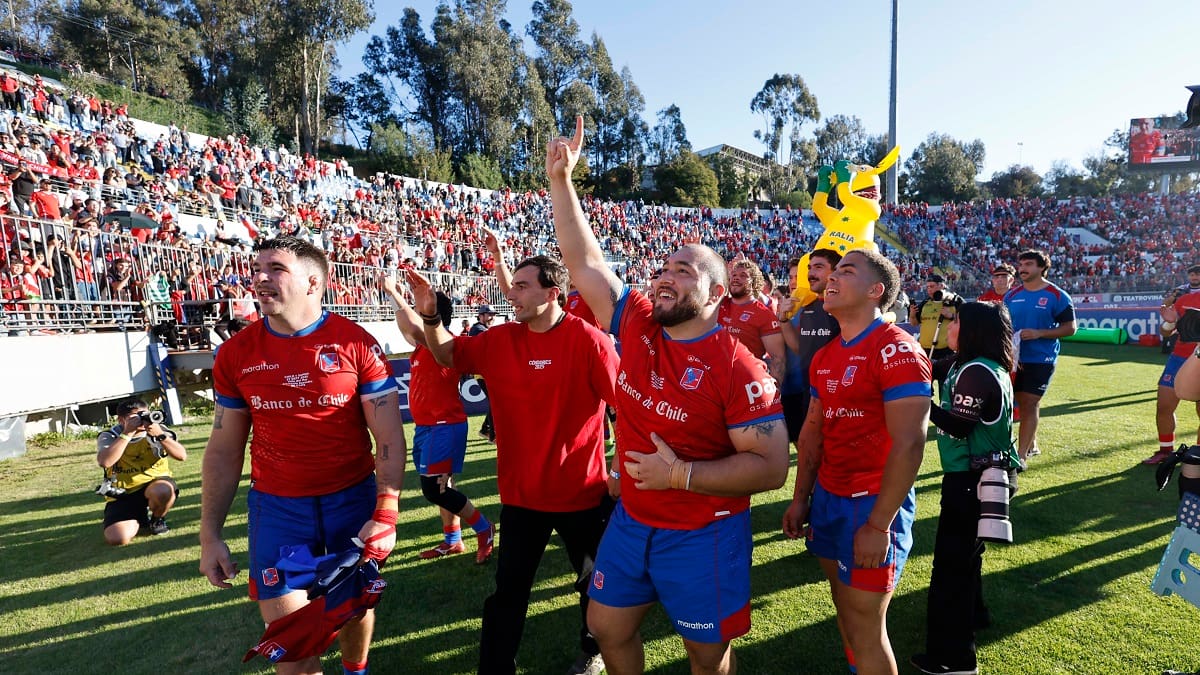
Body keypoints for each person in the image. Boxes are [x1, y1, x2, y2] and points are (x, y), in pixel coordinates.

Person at [548, 116, 789, 675]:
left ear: (716, 293)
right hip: (633, 518)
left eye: (683, 270)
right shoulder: (636, 324)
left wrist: (681, 474)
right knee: (607, 627)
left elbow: (772, 466)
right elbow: (585, 263)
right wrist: (562, 181)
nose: (664, 276)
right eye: (662, 268)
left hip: (703, 530)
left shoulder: (738, 365)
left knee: (706, 657)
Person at [199, 236, 407, 675]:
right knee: (293, 649)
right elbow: (223, 450)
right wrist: (210, 535)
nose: (259, 278)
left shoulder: (356, 344)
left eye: (275, 268)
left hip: (351, 501)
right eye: (257, 268)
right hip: (278, 510)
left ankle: (356, 670)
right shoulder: (236, 354)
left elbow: (388, 436)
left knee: (354, 607)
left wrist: (386, 512)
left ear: (314, 282)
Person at [408, 254, 618, 675]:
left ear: (551, 292)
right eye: (513, 285)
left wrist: (617, 474)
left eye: (522, 286)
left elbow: (627, 407)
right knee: (508, 594)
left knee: (594, 588)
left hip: (582, 495)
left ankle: (592, 649)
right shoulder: (500, 338)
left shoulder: (590, 341)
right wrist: (431, 319)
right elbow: (449, 354)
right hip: (522, 499)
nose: (511, 293)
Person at [782, 248, 932, 675]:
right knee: (846, 612)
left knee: (866, 627)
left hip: (872, 506)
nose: (831, 277)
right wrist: (800, 498)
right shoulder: (827, 356)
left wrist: (878, 525)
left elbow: (910, 446)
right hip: (828, 499)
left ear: (875, 291)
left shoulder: (898, 350)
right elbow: (812, 434)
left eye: (845, 271)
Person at [911, 301, 1020, 675]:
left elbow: (957, 425)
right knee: (966, 559)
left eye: (955, 321)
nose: (948, 326)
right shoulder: (965, 364)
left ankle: (954, 658)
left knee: (951, 568)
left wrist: (919, 402)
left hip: (973, 481)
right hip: (976, 477)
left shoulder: (977, 371)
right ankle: (976, 615)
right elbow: (926, 367)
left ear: (972, 330)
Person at [381, 274, 494, 564]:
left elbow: (415, 327)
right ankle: (453, 541)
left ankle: (484, 528)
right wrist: (394, 295)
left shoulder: (443, 343)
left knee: (435, 489)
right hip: (427, 428)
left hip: (444, 427)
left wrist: (394, 291)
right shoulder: (422, 345)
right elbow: (409, 327)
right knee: (445, 487)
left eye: (422, 312)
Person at [1004, 250, 1076, 462]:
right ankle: (1031, 443)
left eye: (1028, 264)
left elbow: (1070, 328)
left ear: (1041, 268)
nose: (1022, 268)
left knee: (1029, 403)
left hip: (1040, 359)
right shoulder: (1012, 295)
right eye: (1021, 264)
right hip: (1012, 358)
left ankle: (1021, 456)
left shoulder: (1057, 295)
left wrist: (1039, 333)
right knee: (1011, 403)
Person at [96, 398, 187, 545]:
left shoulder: (158, 430)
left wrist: (160, 435)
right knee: (117, 538)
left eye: (144, 415)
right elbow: (105, 461)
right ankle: (139, 518)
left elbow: (182, 456)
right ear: (121, 420)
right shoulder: (110, 435)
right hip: (123, 492)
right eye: (135, 417)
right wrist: (127, 433)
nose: (142, 420)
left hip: (154, 484)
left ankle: (157, 519)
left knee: (163, 490)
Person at [779, 250, 841, 445]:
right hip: (810, 396)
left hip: (838, 400)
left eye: (819, 267)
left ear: (835, 272)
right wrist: (783, 319)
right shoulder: (809, 308)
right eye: (810, 268)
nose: (810, 274)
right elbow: (800, 348)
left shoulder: (845, 307)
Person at [1146, 264, 1200, 465]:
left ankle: (1198, 455)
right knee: (1164, 406)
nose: (1195, 277)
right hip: (1178, 357)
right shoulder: (1183, 299)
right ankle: (1165, 451)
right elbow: (1166, 332)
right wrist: (1169, 322)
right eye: (1193, 274)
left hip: (1199, 359)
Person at [718, 257, 785, 383]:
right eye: (733, 275)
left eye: (743, 275)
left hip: (745, 382)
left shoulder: (764, 315)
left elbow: (778, 359)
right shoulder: (717, 304)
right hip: (714, 378)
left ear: (754, 282)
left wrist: (775, 392)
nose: (736, 278)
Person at [909, 273, 957, 360]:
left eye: (932, 286)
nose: (929, 290)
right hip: (925, 350)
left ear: (941, 286)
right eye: (927, 287)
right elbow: (914, 323)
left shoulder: (955, 300)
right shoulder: (925, 303)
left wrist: (950, 315)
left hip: (946, 351)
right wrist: (912, 315)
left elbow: (967, 320)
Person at [469, 302, 498, 442]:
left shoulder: (483, 328)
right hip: (482, 373)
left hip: (487, 373)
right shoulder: (477, 329)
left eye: (493, 314)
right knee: (495, 402)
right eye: (489, 314)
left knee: (495, 402)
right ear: (481, 316)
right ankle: (491, 434)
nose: (492, 317)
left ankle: (486, 430)